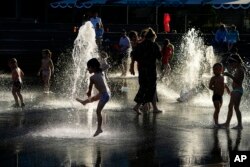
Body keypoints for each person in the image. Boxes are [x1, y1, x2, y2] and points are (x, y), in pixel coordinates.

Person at [130, 27, 162, 114]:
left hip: (142, 70)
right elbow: (159, 57)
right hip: (150, 70)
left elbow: (133, 55)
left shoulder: (140, 45)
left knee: (143, 87)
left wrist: (132, 65)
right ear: (153, 37)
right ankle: (139, 106)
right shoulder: (154, 45)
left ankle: (147, 107)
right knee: (151, 88)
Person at [76, 58, 110, 137]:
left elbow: (90, 89)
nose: (87, 69)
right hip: (106, 93)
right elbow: (108, 66)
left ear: (94, 67)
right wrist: (101, 65)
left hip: (105, 95)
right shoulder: (101, 72)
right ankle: (84, 102)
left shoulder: (92, 78)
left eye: (89, 67)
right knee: (94, 98)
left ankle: (99, 129)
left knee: (98, 111)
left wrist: (88, 93)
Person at [221, 54, 245, 129]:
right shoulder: (238, 69)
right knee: (230, 106)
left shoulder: (240, 70)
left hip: (238, 91)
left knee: (236, 107)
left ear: (236, 62)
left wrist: (229, 75)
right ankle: (227, 123)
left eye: (232, 63)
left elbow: (238, 81)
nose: (231, 65)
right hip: (235, 91)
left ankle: (240, 125)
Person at [209, 63, 230, 127]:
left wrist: (228, 89)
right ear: (213, 70)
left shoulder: (222, 78)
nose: (216, 70)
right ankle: (216, 123)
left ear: (221, 70)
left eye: (219, 69)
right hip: (215, 96)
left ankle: (214, 121)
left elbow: (224, 85)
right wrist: (214, 89)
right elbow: (210, 86)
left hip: (221, 97)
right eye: (215, 69)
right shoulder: (213, 78)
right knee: (217, 109)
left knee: (217, 110)